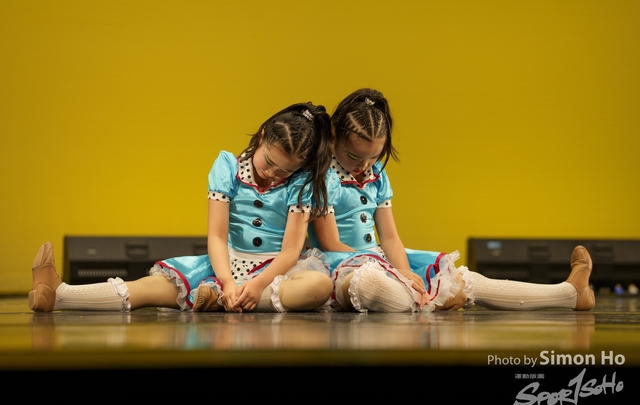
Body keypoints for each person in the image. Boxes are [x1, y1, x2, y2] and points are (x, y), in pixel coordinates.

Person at [308, 88, 595, 313]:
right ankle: (427, 302)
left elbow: (391, 238)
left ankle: (569, 294)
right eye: (353, 156)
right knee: (369, 286)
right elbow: (331, 243)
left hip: (380, 259)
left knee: (459, 280)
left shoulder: (376, 175)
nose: (363, 165)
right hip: (342, 265)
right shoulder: (322, 176)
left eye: (374, 156)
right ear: (333, 137)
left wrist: (403, 271)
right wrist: (388, 270)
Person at [29, 102, 335, 313]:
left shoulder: (302, 184)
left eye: (285, 171)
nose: (272, 173)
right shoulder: (228, 168)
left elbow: (290, 252)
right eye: (269, 162)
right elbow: (217, 236)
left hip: (274, 272)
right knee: (148, 289)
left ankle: (225, 300)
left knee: (318, 286)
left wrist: (258, 285)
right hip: (224, 266)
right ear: (263, 136)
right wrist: (228, 280)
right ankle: (61, 294)